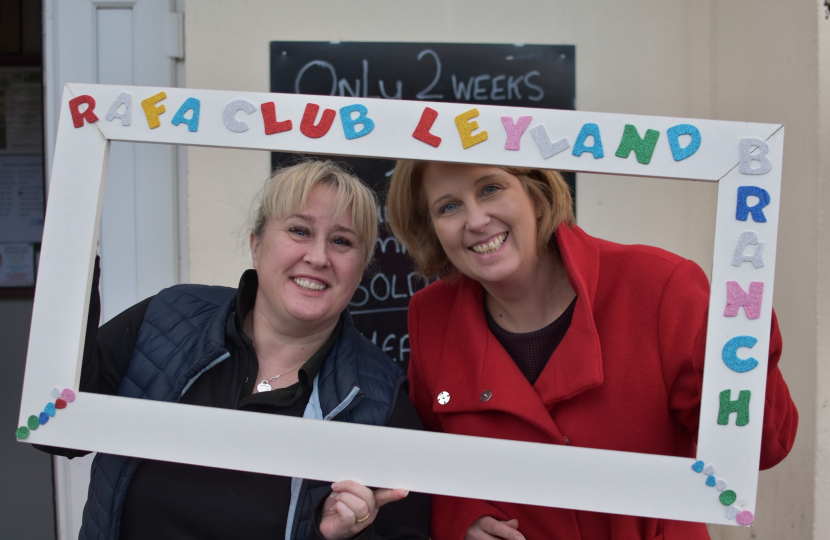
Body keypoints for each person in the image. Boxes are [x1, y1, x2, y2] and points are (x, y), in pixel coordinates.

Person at [386, 161, 798, 540]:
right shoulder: (431, 314)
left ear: (536, 193)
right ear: (432, 229)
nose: (476, 220)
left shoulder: (662, 287)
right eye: (448, 207)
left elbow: (762, 449)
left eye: (492, 188)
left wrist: (743, 336)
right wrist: (462, 519)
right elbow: (433, 461)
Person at [41, 161, 430, 540]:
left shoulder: (382, 402)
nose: (317, 257)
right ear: (256, 244)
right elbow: (51, 430)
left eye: (341, 241)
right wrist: (70, 263)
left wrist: (347, 537)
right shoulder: (167, 318)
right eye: (299, 231)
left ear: (361, 268)